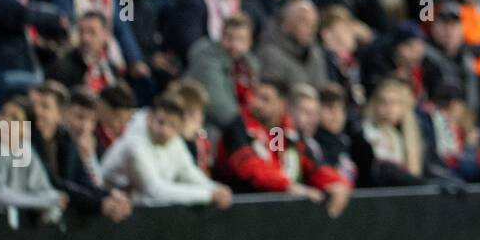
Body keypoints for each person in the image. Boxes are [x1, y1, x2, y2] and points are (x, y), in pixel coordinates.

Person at [216, 80, 351, 216]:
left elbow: (311, 166)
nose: (256, 103)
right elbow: (251, 168)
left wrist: (336, 183)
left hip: (274, 213)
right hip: (238, 214)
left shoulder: (280, 132)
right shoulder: (238, 128)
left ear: (281, 104)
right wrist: (289, 186)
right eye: (255, 96)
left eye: (265, 99)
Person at [101, 93, 234, 208]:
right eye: (161, 122)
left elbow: (188, 173)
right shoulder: (134, 144)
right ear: (150, 117)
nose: (165, 131)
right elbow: (155, 192)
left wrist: (215, 188)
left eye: (172, 125)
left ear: (180, 126)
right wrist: (209, 195)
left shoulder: (174, 140)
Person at [29, 80, 132, 221]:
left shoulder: (66, 140)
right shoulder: (29, 140)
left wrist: (110, 195)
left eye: (92, 121)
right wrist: (100, 203)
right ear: (63, 114)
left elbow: (84, 181)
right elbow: (54, 183)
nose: (85, 127)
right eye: (79, 117)